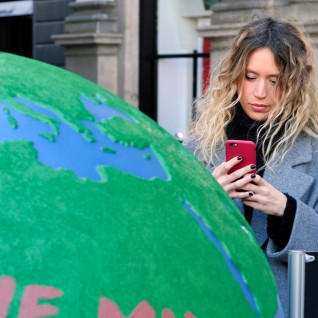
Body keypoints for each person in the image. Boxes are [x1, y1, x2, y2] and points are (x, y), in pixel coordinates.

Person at [184, 17, 318, 315]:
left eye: (275, 80)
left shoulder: (314, 152)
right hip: (211, 301)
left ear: (294, 83)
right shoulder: (198, 146)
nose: (260, 93)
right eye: (250, 76)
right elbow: (165, 234)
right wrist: (208, 198)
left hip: (286, 302)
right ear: (234, 77)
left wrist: (287, 210)